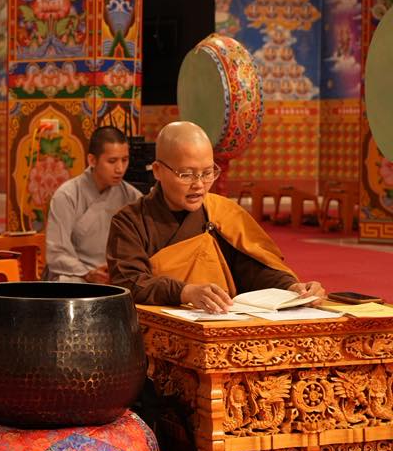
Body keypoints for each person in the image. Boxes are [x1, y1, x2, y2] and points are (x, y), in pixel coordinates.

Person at [107, 122, 325, 312]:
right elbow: (129, 282)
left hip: (222, 323)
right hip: (160, 330)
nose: (199, 184)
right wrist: (186, 292)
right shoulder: (130, 221)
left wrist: (291, 288)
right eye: (187, 174)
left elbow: (253, 269)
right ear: (157, 171)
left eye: (207, 173)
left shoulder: (223, 213)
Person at [46, 126, 141, 283]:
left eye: (124, 160)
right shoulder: (67, 195)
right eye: (112, 161)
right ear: (92, 160)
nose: (120, 169)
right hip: (77, 275)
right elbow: (57, 252)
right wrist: (88, 273)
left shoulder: (132, 197)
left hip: (117, 276)